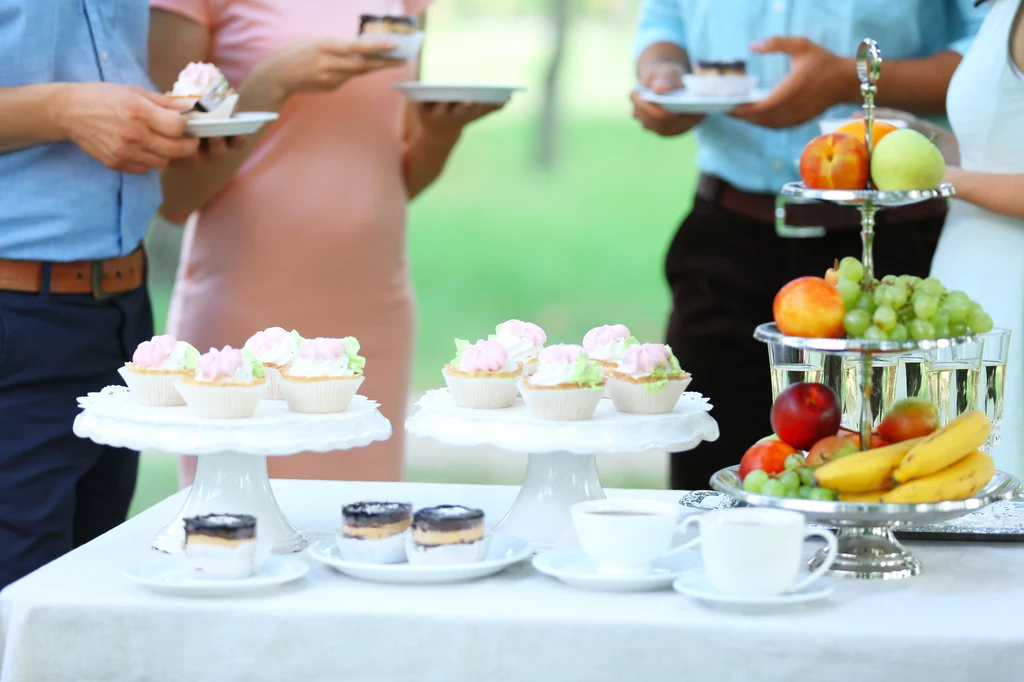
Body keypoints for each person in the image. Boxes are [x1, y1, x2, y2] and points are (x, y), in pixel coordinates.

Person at [631, 0, 987, 491]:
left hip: (886, 257)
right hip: (726, 239)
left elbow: (993, 56)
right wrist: (663, 76)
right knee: (706, 487)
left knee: (887, 480)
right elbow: (665, 20)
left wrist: (851, 81)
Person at [148, 0, 504, 487]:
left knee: (364, 529)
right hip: (246, 309)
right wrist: (271, 83)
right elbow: (172, 195)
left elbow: (398, 174)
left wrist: (442, 134)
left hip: (372, 313)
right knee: (238, 523)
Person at [0, 0, 216, 589]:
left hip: (120, 315)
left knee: (91, 598)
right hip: (13, 313)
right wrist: (60, 110)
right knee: (21, 611)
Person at [927, 0, 1024, 479]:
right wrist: (920, 138)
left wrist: (941, 177)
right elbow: (1001, 147)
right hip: (970, 281)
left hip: (1013, 290)